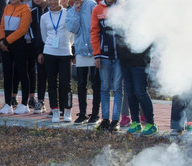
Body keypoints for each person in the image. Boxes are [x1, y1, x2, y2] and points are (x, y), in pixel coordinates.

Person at [66, 0, 100, 124]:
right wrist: (76, 11)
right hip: (80, 51)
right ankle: (82, 113)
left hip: (94, 49)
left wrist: (97, 49)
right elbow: (72, 29)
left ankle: (95, 114)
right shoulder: (71, 10)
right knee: (81, 84)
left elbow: (97, 26)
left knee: (95, 83)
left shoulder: (91, 5)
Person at [90, 0, 122, 131]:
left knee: (118, 88)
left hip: (120, 56)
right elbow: (94, 33)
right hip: (103, 56)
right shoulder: (97, 9)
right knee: (104, 88)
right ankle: (105, 120)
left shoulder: (123, 7)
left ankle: (115, 121)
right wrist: (96, 55)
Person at [40, 0, 73, 122]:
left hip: (65, 52)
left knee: (66, 84)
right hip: (50, 52)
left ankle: (67, 110)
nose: (53, 2)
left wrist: (68, 45)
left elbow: (73, 33)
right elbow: (44, 36)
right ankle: (55, 111)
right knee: (52, 84)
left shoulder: (68, 13)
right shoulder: (44, 17)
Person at [0, 0, 31, 115]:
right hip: (6, 46)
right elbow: (2, 25)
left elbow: (22, 30)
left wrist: (6, 41)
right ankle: (8, 103)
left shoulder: (26, 9)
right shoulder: (7, 7)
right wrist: (2, 40)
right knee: (7, 73)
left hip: (20, 45)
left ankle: (25, 104)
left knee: (22, 73)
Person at [118, 40, 156, 136]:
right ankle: (136, 122)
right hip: (124, 61)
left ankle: (151, 124)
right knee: (130, 93)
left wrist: (144, 56)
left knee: (140, 92)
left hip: (140, 62)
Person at [30, 0, 48, 114]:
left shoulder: (53, 10)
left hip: (54, 49)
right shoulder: (33, 12)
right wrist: (39, 51)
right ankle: (41, 101)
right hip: (39, 49)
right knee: (41, 76)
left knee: (54, 79)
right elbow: (34, 34)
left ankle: (59, 106)